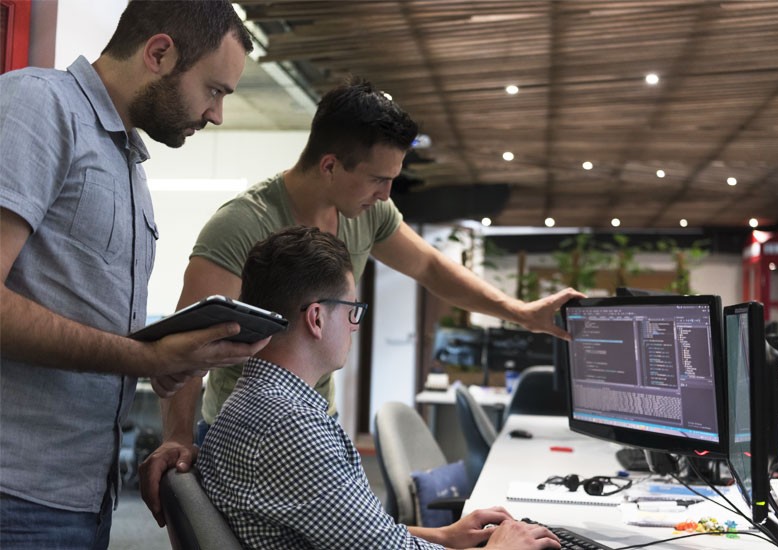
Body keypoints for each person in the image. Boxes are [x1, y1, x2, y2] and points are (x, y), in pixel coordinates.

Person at [139, 77, 583, 524]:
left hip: (315, 422)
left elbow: (428, 267)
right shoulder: (241, 225)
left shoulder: (368, 212)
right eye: (377, 179)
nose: (386, 194)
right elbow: (189, 340)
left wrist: (521, 313)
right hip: (255, 432)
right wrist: (177, 436)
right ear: (330, 166)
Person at [0, 1, 268, 547]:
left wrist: (166, 362)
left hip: (79, 494)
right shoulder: (37, 106)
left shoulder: (128, 165)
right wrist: (143, 358)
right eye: (215, 90)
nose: (216, 114)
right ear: (160, 53)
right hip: (16, 494)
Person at [197, 226, 561, 549]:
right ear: (317, 318)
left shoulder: (251, 402)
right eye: (351, 310)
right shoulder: (291, 426)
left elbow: (360, 534)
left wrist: (445, 535)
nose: (354, 326)